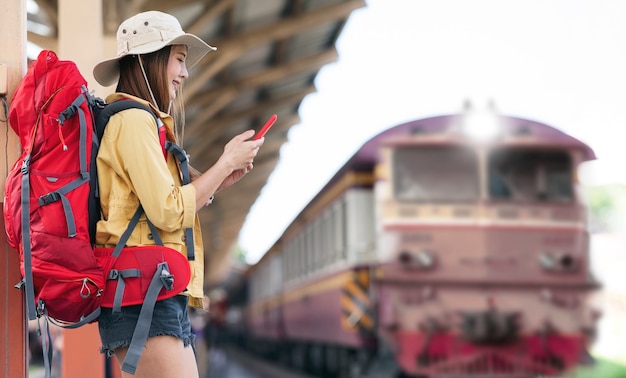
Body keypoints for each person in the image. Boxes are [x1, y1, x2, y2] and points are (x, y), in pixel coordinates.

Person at [92, 10, 264, 378]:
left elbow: (160, 202)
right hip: (144, 295)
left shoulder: (142, 121)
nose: (185, 74)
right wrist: (223, 163)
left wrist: (220, 180)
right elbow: (167, 211)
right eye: (180, 60)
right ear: (149, 59)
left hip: (152, 289)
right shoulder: (134, 120)